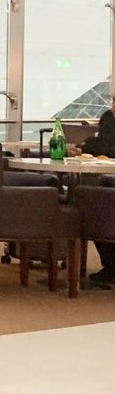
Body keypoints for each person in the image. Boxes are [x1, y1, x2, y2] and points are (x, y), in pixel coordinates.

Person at [80, 103, 115, 287]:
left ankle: (111, 266)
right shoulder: (109, 118)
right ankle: (111, 266)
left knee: (93, 207)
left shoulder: (109, 119)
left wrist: (85, 147)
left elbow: (107, 147)